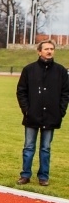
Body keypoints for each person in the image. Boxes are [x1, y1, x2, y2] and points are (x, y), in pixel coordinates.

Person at [15, 39, 69, 186]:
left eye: (51, 49)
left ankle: (43, 176)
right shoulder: (29, 70)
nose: (49, 51)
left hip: (51, 115)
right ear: (39, 51)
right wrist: (27, 110)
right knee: (29, 147)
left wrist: (60, 111)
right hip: (32, 115)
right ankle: (25, 174)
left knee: (46, 148)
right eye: (46, 49)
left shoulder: (61, 71)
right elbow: (21, 91)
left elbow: (65, 93)